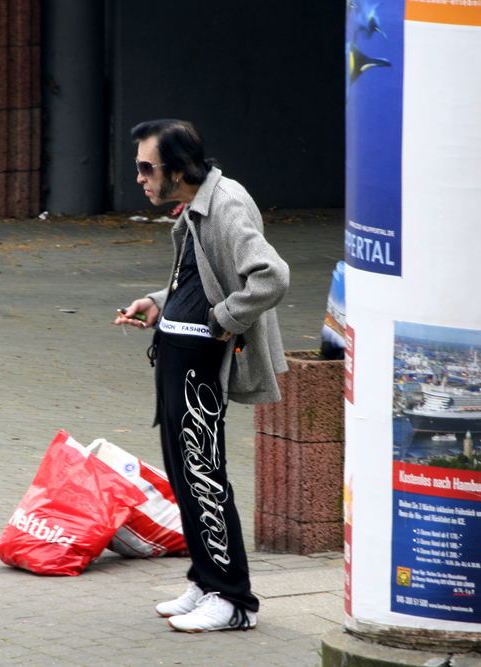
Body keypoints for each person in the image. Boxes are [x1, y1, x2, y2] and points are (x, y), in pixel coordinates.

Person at [115, 120, 289, 633]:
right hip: (176, 358)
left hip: (200, 368)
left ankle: (234, 601)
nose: (141, 179)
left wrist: (226, 319)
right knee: (184, 474)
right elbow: (201, 280)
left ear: (178, 168)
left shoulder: (226, 205)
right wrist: (157, 303)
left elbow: (271, 275)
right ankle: (205, 578)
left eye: (148, 168)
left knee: (204, 476)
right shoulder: (195, 207)